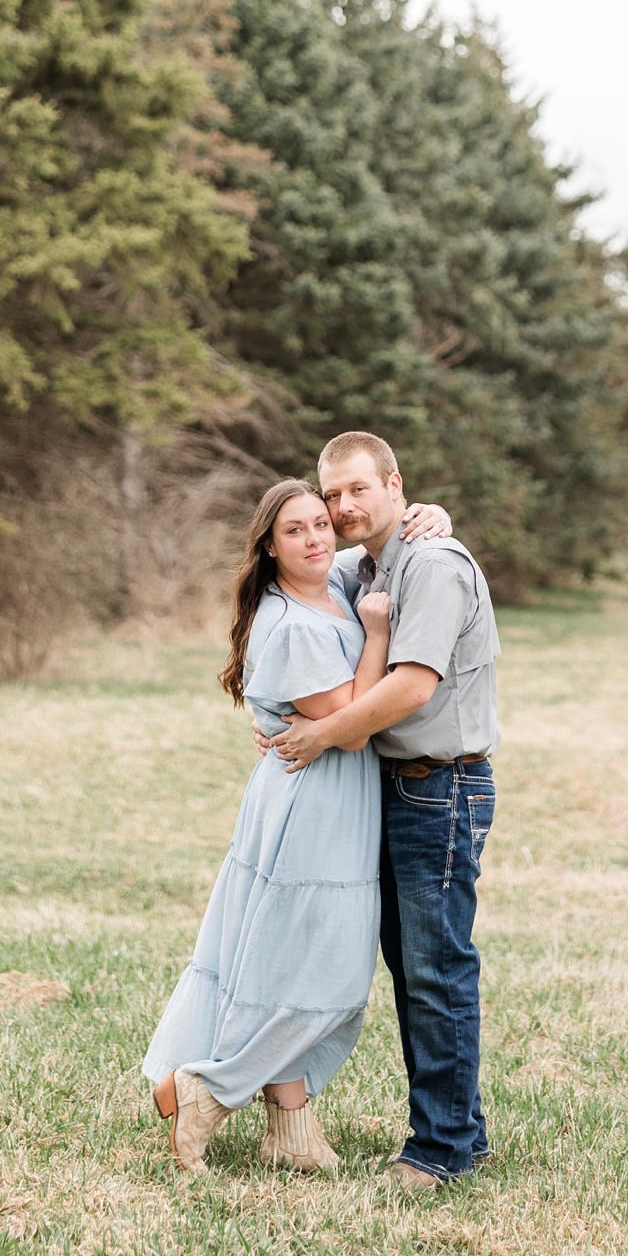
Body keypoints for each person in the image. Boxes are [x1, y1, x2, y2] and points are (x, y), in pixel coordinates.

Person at [142, 478, 452, 1174]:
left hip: (335, 797)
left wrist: (428, 514)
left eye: (321, 523)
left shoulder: (330, 584)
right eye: (295, 530)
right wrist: (379, 633)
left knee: (293, 957)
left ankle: (290, 1128)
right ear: (268, 547)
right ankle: (205, 1091)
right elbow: (352, 723)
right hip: (313, 802)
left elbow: (372, 544)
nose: (315, 539)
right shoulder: (292, 623)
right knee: (322, 967)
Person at [263, 431, 500, 1189]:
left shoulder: (431, 563)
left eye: (359, 489)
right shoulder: (362, 565)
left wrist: (320, 734)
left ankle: (439, 1149)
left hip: (442, 786)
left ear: (395, 485)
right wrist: (273, 707)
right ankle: (462, 1131)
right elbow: (291, 578)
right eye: (332, 494)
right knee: (412, 969)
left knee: (435, 969)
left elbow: (412, 686)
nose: (341, 507)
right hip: (392, 786)